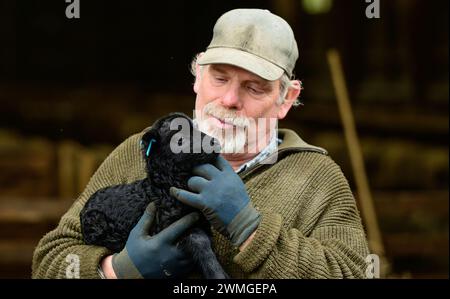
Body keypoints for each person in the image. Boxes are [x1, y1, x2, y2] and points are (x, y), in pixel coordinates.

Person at [32, 8, 370, 279]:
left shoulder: (318, 179)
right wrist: (116, 271)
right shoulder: (139, 151)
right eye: (219, 77)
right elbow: (50, 261)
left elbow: (352, 273)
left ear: (286, 98)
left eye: (254, 88)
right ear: (197, 76)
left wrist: (251, 229)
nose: (229, 98)